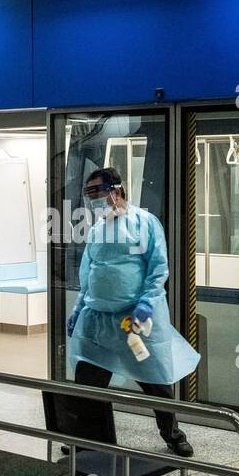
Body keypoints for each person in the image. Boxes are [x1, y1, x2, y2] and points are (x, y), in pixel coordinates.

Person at [65, 167, 201, 457]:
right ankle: (85, 438)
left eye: (96, 192)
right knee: (89, 383)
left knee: (155, 380)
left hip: (134, 324)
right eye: (89, 194)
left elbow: (158, 268)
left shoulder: (145, 223)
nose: (93, 199)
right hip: (99, 322)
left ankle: (173, 435)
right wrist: (79, 308)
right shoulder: (98, 229)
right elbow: (88, 271)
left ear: (116, 190)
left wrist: (145, 304)